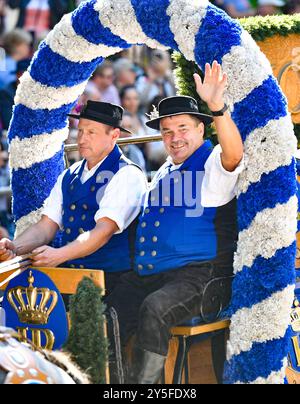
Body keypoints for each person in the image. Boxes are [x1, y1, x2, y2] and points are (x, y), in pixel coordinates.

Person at [106, 61, 244, 384]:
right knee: (108, 312)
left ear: (201, 128)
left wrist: (218, 108)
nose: (174, 137)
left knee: (154, 309)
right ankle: (114, 383)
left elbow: (234, 156)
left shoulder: (211, 163)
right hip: (154, 276)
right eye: (167, 131)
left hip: (201, 277)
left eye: (183, 128)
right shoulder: (165, 171)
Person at [0, 101, 147, 295]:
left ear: (114, 135)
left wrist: (59, 255)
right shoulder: (70, 174)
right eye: (81, 131)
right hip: (72, 278)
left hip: (114, 282)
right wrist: (15, 247)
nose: (82, 139)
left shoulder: (127, 174)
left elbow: (103, 231)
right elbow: (46, 226)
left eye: (91, 132)